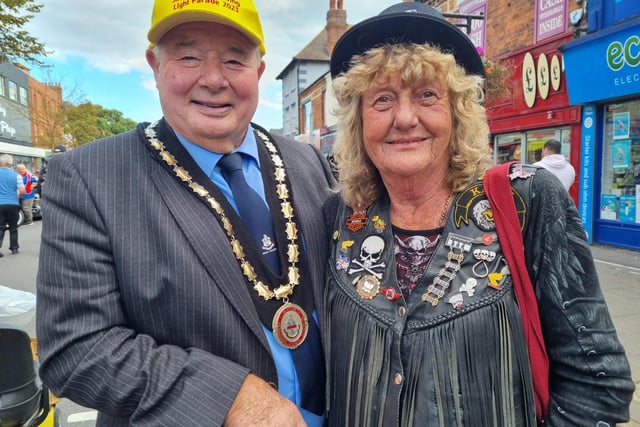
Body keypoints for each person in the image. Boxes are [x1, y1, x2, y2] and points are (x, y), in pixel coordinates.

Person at [323, 3, 635, 426]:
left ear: (457, 111)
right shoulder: (338, 218)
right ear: (359, 120)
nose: (405, 117)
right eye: (382, 99)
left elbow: (597, 385)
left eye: (427, 94)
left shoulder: (526, 199)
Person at [35, 1, 335, 426]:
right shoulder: (89, 177)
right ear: (154, 65)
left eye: (234, 59)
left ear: (259, 72)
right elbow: (75, 349)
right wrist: (232, 397)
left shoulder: (306, 161)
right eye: (188, 56)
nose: (213, 79)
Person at [0, 154, 25, 256]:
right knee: (13, 227)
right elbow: (22, 191)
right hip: (13, 204)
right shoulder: (17, 175)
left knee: (0, 227)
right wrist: (16, 195)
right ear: (11, 164)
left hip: (0, 204)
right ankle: (14, 248)